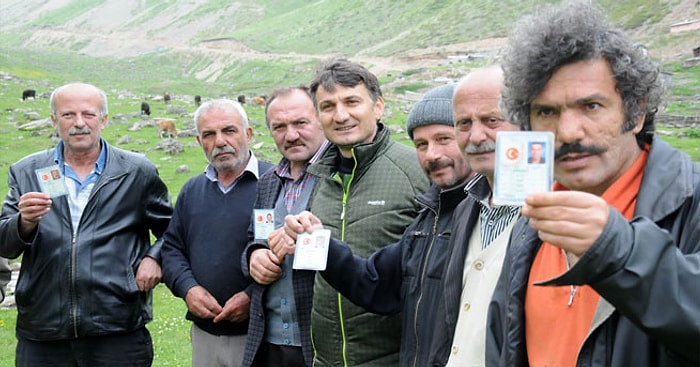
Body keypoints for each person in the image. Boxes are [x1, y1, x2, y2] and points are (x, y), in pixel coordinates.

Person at [487, 2, 700, 367]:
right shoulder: (532, 220)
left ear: (636, 114)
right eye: (547, 112)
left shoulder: (692, 201)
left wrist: (617, 249)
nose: (568, 132)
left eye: (591, 106)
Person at [281, 83, 473, 367]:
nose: (432, 154)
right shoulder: (428, 220)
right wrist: (318, 240)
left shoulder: (495, 216)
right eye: (421, 144)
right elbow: (374, 284)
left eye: (444, 138)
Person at [0, 82, 173, 366]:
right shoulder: (27, 171)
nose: (79, 123)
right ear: (54, 121)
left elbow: (173, 232)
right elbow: (4, 244)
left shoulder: (136, 171)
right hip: (43, 331)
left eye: (88, 114)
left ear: (103, 119)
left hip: (117, 328)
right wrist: (24, 222)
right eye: (68, 115)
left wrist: (155, 257)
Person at [161, 99, 273, 367]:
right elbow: (172, 248)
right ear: (199, 142)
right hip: (205, 336)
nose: (220, 141)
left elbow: (286, 256)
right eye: (209, 135)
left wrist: (251, 295)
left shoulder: (276, 181)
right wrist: (188, 289)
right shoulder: (192, 190)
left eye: (229, 131)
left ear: (248, 134)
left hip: (262, 335)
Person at [425, 66, 521, 367]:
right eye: (463, 123)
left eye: (492, 120)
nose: (476, 135)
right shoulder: (467, 207)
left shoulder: (556, 212)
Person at [240, 86, 330, 367]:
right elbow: (255, 236)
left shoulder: (342, 176)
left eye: (300, 123)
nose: (290, 135)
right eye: (279, 127)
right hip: (269, 341)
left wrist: (308, 240)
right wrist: (254, 257)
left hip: (321, 342)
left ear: (320, 120)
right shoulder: (269, 181)